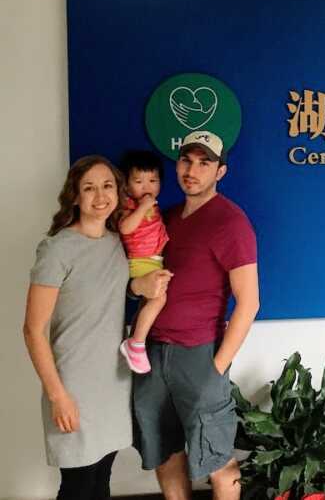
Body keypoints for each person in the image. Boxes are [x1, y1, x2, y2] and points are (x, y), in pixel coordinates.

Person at [22, 155, 170, 500]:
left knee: (101, 480)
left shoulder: (118, 242)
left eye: (107, 186)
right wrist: (58, 395)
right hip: (73, 385)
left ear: (119, 193)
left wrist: (140, 287)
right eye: (89, 188)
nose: (100, 195)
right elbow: (32, 330)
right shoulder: (57, 249)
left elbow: (112, 289)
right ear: (74, 195)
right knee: (78, 485)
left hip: (113, 383)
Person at [130, 130, 259, 500]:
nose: (193, 170)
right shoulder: (162, 218)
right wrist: (139, 288)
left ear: (220, 172)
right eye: (187, 160)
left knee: (219, 460)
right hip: (151, 354)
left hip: (200, 354)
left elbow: (248, 302)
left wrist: (217, 366)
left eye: (205, 163)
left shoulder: (230, 223)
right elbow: (136, 277)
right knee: (164, 452)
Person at [118, 150, 170, 374]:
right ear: (127, 186)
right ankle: (136, 344)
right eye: (138, 181)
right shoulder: (129, 205)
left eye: (152, 180)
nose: (146, 186)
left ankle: (135, 339)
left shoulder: (153, 206)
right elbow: (125, 228)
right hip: (141, 261)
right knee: (159, 298)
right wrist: (142, 208)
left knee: (147, 303)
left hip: (152, 260)